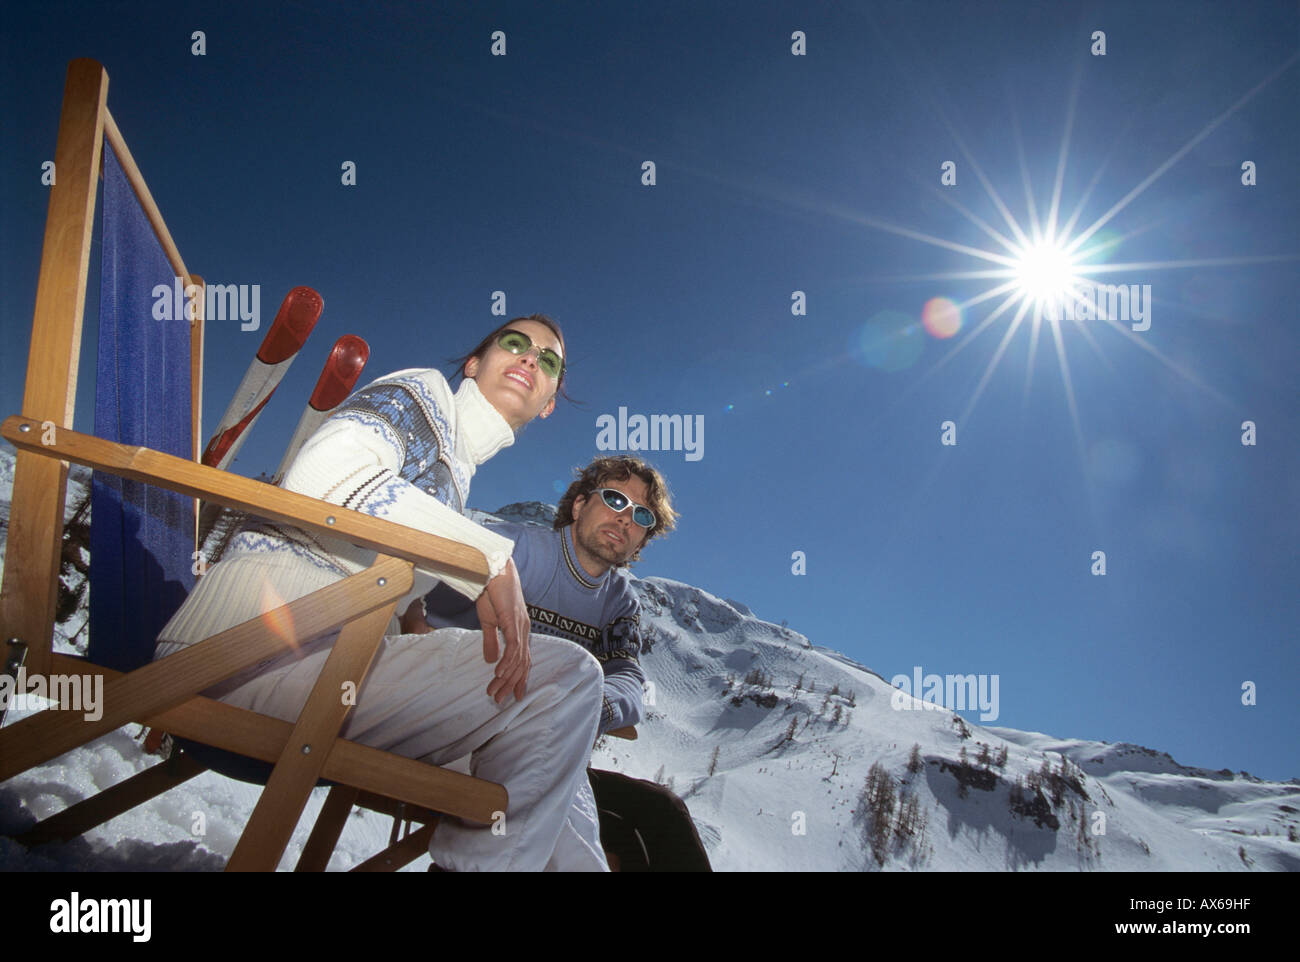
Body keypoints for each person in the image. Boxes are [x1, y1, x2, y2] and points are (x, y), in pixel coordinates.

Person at [153, 314, 610, 871]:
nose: (530, 359)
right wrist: (489, 560)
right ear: (473, 363)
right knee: (567, 680)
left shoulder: (456, 469)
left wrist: (411, 618)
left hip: (323, 668)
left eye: (549, 360)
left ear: (548, 403)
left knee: (548, 754)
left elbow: (373, 559)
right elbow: (323, 474)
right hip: (238, 656)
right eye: (515, 343)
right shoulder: (423, 394)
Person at [407, 455, 713, 871]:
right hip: (456, 731)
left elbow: (626, 677)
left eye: (641, 515)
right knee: (544, 801)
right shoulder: (513, 550)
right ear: (579, 505)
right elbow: (416, 596)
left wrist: (587, 705)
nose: (625, 519)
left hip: (549, 750)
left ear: (642, 540)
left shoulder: (620, 601)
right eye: (614, 500)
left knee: (659, 814)